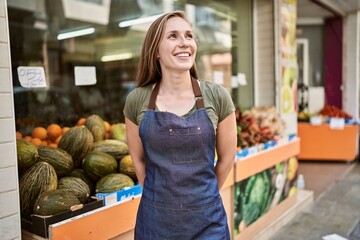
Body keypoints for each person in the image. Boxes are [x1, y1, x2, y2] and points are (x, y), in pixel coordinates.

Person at [124, 10, 237, 240]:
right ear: (155, 50)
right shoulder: (137, 100)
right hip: (155, 223)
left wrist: (203, 196)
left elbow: (227, 158)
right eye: (173, 36)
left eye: (188, 35)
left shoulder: (217, 96)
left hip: (208, 222)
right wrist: (161, 200)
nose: (184, 43)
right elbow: (139, 160)